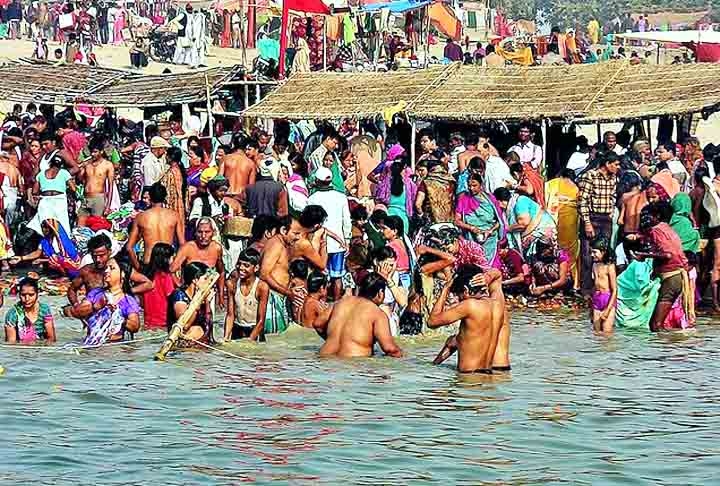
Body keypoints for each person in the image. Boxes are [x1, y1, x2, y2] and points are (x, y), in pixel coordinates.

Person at [429, 265, 507, 374]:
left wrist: (446, 289)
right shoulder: (498, 305)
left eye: (459, 296)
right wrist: (487, 276)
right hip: (487, 377)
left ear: (465, 291)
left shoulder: (469, 305)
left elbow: (432, 322)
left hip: (468, 379)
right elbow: (498, 274)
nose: (459, 300)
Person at [630, 203, 694, 331]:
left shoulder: (656, 230)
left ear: (657, 216)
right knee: (660, 323)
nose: (646, 219)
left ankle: (665, 349)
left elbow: (668, 254)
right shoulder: (667, 229)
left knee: (656, 325)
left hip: (671, 278)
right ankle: (669, 347)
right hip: (677, 278)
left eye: (649, 216)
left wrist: (643, 255)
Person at [313, 273, 403, 359]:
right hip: (353, 366)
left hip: (326, 359)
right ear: (380, 293)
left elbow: (317, 323)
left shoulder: (341, 302)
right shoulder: (377, 313)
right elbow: (390, 349)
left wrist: (332, 338)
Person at [63, 259, 142, 346]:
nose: (106, 271)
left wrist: (119, 318)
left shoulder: (128, 301)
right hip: (91, 344)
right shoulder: (95, 293)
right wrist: (96, 306)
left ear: (122, 274)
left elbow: (135, 327)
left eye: (111, 268)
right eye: (106, 268)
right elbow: (77, 312)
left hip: (115, 347)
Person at [259, 215, 315, 334]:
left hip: (277, 298)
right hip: (272, 299)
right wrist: (289, 293)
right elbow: (264, 274)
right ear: (284, 230)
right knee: (274, 341)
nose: (298, 237)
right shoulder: (276, 245)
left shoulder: (279, 244)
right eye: (295, 233)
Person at [68, 233, 153, 305]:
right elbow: (71, 290)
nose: (98, 260)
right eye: (94, 256)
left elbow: (148, 284)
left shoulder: (121, 267)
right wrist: (76, 305)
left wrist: (128, 291)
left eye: (101, 255)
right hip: (96, 313)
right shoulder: (86, 271)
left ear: (109, 252)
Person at [577, 154, 620, 294]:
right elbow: (582, 201)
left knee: (604, 254)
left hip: (605, 219)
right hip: (592, 217)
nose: (618, 167)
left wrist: (611, 212)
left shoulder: (613, 178)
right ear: (607, 164)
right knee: (588, 255)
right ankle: (586, 289)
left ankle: (602, 287)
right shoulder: (590, 176)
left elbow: (613, 197)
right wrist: (587, 223)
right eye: (616, 164)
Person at [307, 166, 351, 300]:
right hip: (338, 244)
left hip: (321, 243)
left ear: (317, 180)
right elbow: (347, 221)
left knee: (322, 275)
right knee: (337, 276)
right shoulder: (341, 197)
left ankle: (323, 303)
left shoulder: (312, 199)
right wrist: (347, 240)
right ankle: (336, 304)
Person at [126, 183, 185, 270]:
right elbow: (182, 244)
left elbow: (129, 248)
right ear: (165, 197)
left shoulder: (141, 217)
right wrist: (175, 265)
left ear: (150, 197)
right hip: (167, 262)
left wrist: (138, 267)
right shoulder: (174, 216)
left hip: (148, 263)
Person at [171, 217, 225, 311]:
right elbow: (171, 270)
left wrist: (220, 296)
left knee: (207, 322)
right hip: (189, 295)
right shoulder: (187, 248)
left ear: (213, 233)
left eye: (207, 232)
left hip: (208, 294)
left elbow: (221, 272)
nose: (203, 236)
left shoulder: (217, 248)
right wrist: (180, 286)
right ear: (195, 233)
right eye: (200, 232)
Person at [455, 173, 505, 268]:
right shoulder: (464, 199)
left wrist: (489, 231)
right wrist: (471, 228)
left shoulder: (491, 199)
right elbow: (457, 221)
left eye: (474, 185)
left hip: (490, 240)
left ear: (481, 185)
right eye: (469, 186)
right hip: (472, 239)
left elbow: (499, 221)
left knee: (492, 269)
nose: (471, 188)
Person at [493, 187, 556, 259]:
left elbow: (523, 224)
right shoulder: (507, 211)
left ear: (499, 201)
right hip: (534, 234)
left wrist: (506, 228)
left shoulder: (520, 201)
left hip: (542, 231)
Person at [224, 248, 269, 341]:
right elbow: (230, 315)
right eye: (239, 264)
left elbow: (261, 321)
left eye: (246, 265)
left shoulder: (262, 287)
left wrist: (249, 341)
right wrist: (226, 337)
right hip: (237, 329)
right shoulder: (231, 284)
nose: (241, 268)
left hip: (255, 331)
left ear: (256, 268)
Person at [9, 218, 81, 277]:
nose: (44, 230)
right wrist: (21, 258)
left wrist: (42, 260)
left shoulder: (61, 241)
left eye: (46, 227)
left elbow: (61, 258)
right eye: (42, 227)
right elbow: (37, 253)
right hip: (57, 268)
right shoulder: (44, 240)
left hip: (71, 267)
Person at [545, 169, 580, 287]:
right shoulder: (576, 188)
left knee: (553, 250)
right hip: (570, 224)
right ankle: (573, 282)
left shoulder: (551, 184)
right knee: (570, 252)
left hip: (551, 223)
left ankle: (553, 281)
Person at [167, 262, 214, 344]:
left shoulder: (202, 294)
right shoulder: (179, 296)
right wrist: (198, 303)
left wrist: (207, 302)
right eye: (205, 279)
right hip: (183, 343)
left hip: (200, 343)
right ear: (195, 280)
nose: (209, 282)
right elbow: (185, 325)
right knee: (196, 330)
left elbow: (208, 324)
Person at [29, 153, 75, 236]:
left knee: (45, 225)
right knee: (62, 224)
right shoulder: (64, 172)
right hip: (59, 200)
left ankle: (44, 245)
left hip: (45, 200)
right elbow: (73, 188)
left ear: (50, 163)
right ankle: (62, 245)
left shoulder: (41, 174)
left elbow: (34, 191)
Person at [4, 276, 56, 344]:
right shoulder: (12, 314)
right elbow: (12, 342)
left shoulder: (44, 310)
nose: (27, 299)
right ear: (19, 294)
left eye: (31, 295)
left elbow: (51, 338)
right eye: (23, 295)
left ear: (37, 294)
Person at [141, 243, 176, 331]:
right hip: (163, 322)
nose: (173, 260)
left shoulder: (147, 275)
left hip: (148, 323)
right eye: (172, 257)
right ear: (166, 259)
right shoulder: (166, 277)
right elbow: (171, 297)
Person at [83, 136, 115, 216]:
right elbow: (81, 179)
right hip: (85, 197)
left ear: (101, 152)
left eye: (95, 152)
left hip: (98, 198)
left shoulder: (108, 165)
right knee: (81, 225)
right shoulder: (88, 164)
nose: (92, 154)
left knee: (96, 224)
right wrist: (82, 167)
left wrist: (108, 206)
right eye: (91, 152)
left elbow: (111, 187)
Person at [590, 238, 617, 334]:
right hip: (597, 299)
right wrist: (591, 305)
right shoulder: (594, 265)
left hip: (608, 300)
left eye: (594, 252)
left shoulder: (609, 267)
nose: (592, 255)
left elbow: (614, 290)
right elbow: (595, 285)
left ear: (604, 252)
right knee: (596, 332)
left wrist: (607, 310)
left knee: (607, 333)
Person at [221, 135, 256, 201]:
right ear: (246, 146)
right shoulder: (251, 163)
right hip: (241, 196)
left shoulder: (225, 158)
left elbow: (219, 179)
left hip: (227, 194)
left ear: (233, 144)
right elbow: (251, 187)